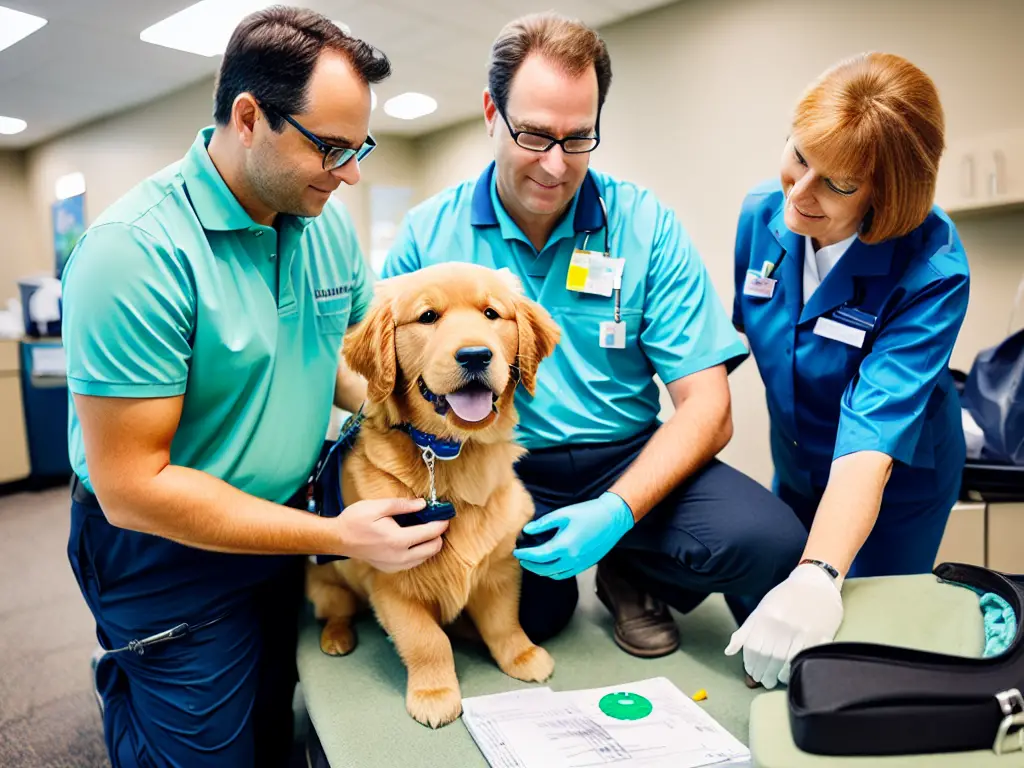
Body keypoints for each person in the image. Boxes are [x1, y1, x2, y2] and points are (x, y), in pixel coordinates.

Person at [61, 8, 448, 767]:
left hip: (279, 521)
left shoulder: (323, 220)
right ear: (248, 118)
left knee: (278, 713)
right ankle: (127, 686)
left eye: (358, 147)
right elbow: (134, 488)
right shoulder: (132, 255)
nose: (352, 173)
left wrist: (408, 415)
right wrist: (339, 535)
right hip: (159, 548)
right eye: (331, 147)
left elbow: (341, 357)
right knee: (210, 757)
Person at [382, 12, 806, 659]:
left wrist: (617, 512)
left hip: (627, 456)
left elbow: (709, 408)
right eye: (534, 136)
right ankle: (574, 576)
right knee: (532, 614)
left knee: (768, 541)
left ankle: (631, 568)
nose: (555, 166)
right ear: (491, 113)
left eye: (578, 139)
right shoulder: (426, 236)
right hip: (494, 465)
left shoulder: (643, 224)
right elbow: (385, 386)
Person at [725, 52, 970, 690]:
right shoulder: (761, 215)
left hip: (896, 483)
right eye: (799, 156)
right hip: (799, 460)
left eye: (837, 184)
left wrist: (820, 572)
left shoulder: (932, 269)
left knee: (866, 649)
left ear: (886, 194)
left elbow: (873, 434)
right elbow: (737, 337)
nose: (799, 195)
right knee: (777, 645)